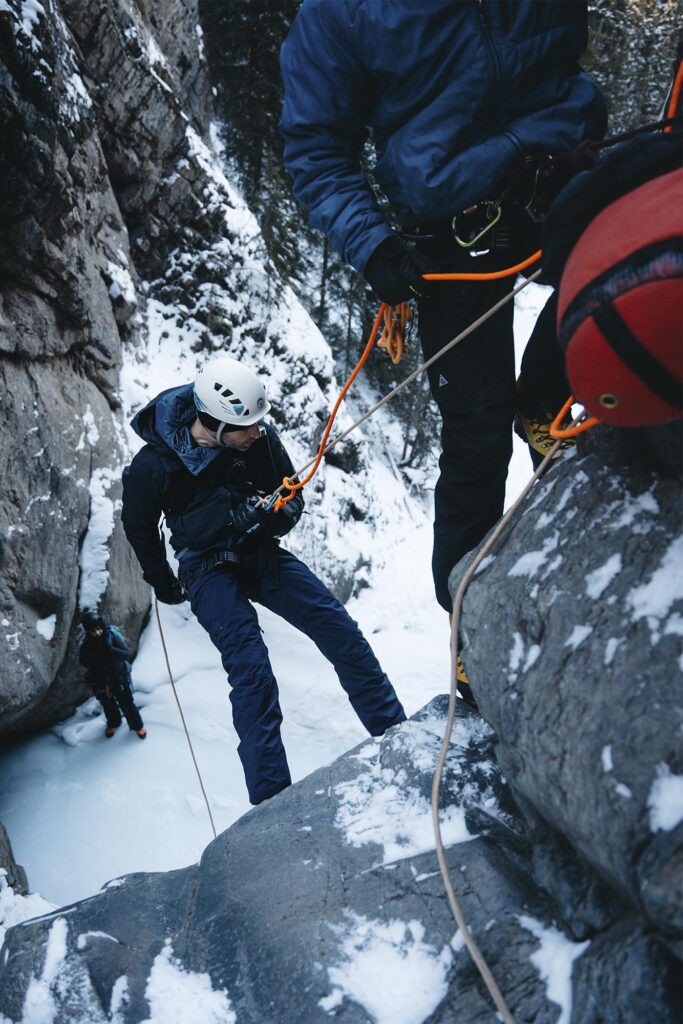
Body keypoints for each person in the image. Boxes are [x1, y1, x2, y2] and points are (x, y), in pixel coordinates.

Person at [279, 1, 607, 701]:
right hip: (455, 220)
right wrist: (373, 243)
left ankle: (548, 396)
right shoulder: (340, 11)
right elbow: (315, 145)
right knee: (475, 435)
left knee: (625, 299)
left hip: (565, 164)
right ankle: (469, 625)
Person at [120, 355, 406, 805]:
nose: (258, 432)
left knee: (337, 627)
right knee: (251, 670)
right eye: (247, 427)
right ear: (213, 425)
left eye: (258, 423)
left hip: (256, 550)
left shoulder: (258, 439)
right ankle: (272, 800)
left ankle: (395, 731)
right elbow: (139, 527)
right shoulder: (154, 465)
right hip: (205, 565)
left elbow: (291, 493)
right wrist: (164, 582)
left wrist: (269, 516)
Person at [80, 611, 147, 739]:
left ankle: (137, 726)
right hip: (101, 682)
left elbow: (125, 654)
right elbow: (83, 662)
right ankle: (114, 723)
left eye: (99, 629)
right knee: (108, 706)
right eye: (94, 631)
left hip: (119, 679)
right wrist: (96, 655)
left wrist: (110, 649)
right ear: (88, 631)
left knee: (128, 704)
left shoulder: (110, 636)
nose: (98, 633)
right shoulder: (87, 645)